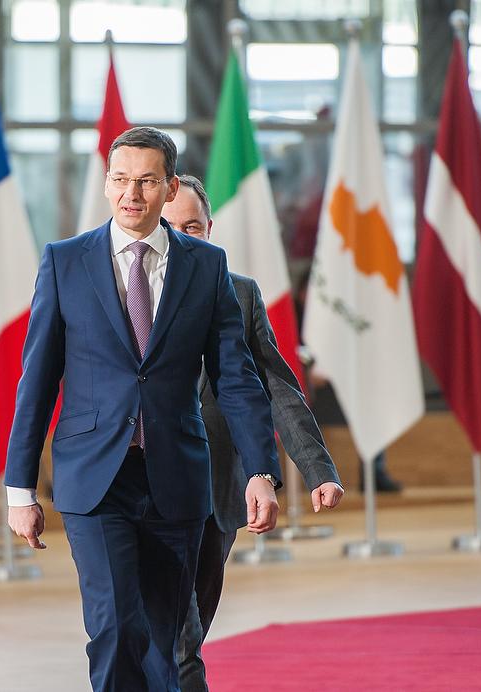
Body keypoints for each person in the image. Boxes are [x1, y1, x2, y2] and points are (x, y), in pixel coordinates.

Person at [5, 127, 282, 691]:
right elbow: (38, 381)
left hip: (176, 476)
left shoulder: (206, 266)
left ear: (170, 187)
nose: (131, 194)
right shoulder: (65, 262)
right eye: (121, 180)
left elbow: (235, 378)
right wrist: (20, 490)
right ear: (107, 184)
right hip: (94, 479)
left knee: (165, 642)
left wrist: (260, 469)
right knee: (114, 628)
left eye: (147, 181)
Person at [163, 175, 345, 691]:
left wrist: (317, 469)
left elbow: (278, 388)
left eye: (191, 226)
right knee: (177, 638)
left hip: (217, 491)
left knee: (188, 629)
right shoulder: (130, 291)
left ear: (209, 229)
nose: (181, 237)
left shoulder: (238, 293)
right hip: (147, 488)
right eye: (170, 226)